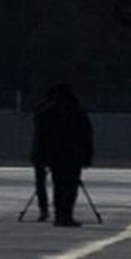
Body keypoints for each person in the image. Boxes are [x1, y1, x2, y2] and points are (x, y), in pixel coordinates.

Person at [32, 82, 93, 227]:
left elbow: (41, 135)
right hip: (73, 155)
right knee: (70, 186)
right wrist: (87, 156)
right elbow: (87, 135)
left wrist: (41, 155)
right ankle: (67, 214)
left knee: (58, 185)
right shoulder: (77, 111)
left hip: (55, 154)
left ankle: (59, 214)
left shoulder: (47, 112)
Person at [29, 87, 54, 222]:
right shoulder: (58, 112)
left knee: (40, 183)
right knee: (62, 182)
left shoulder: (40, 112)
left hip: (40, 152)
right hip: (55, 151)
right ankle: (61, 209)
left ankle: (43, 209)